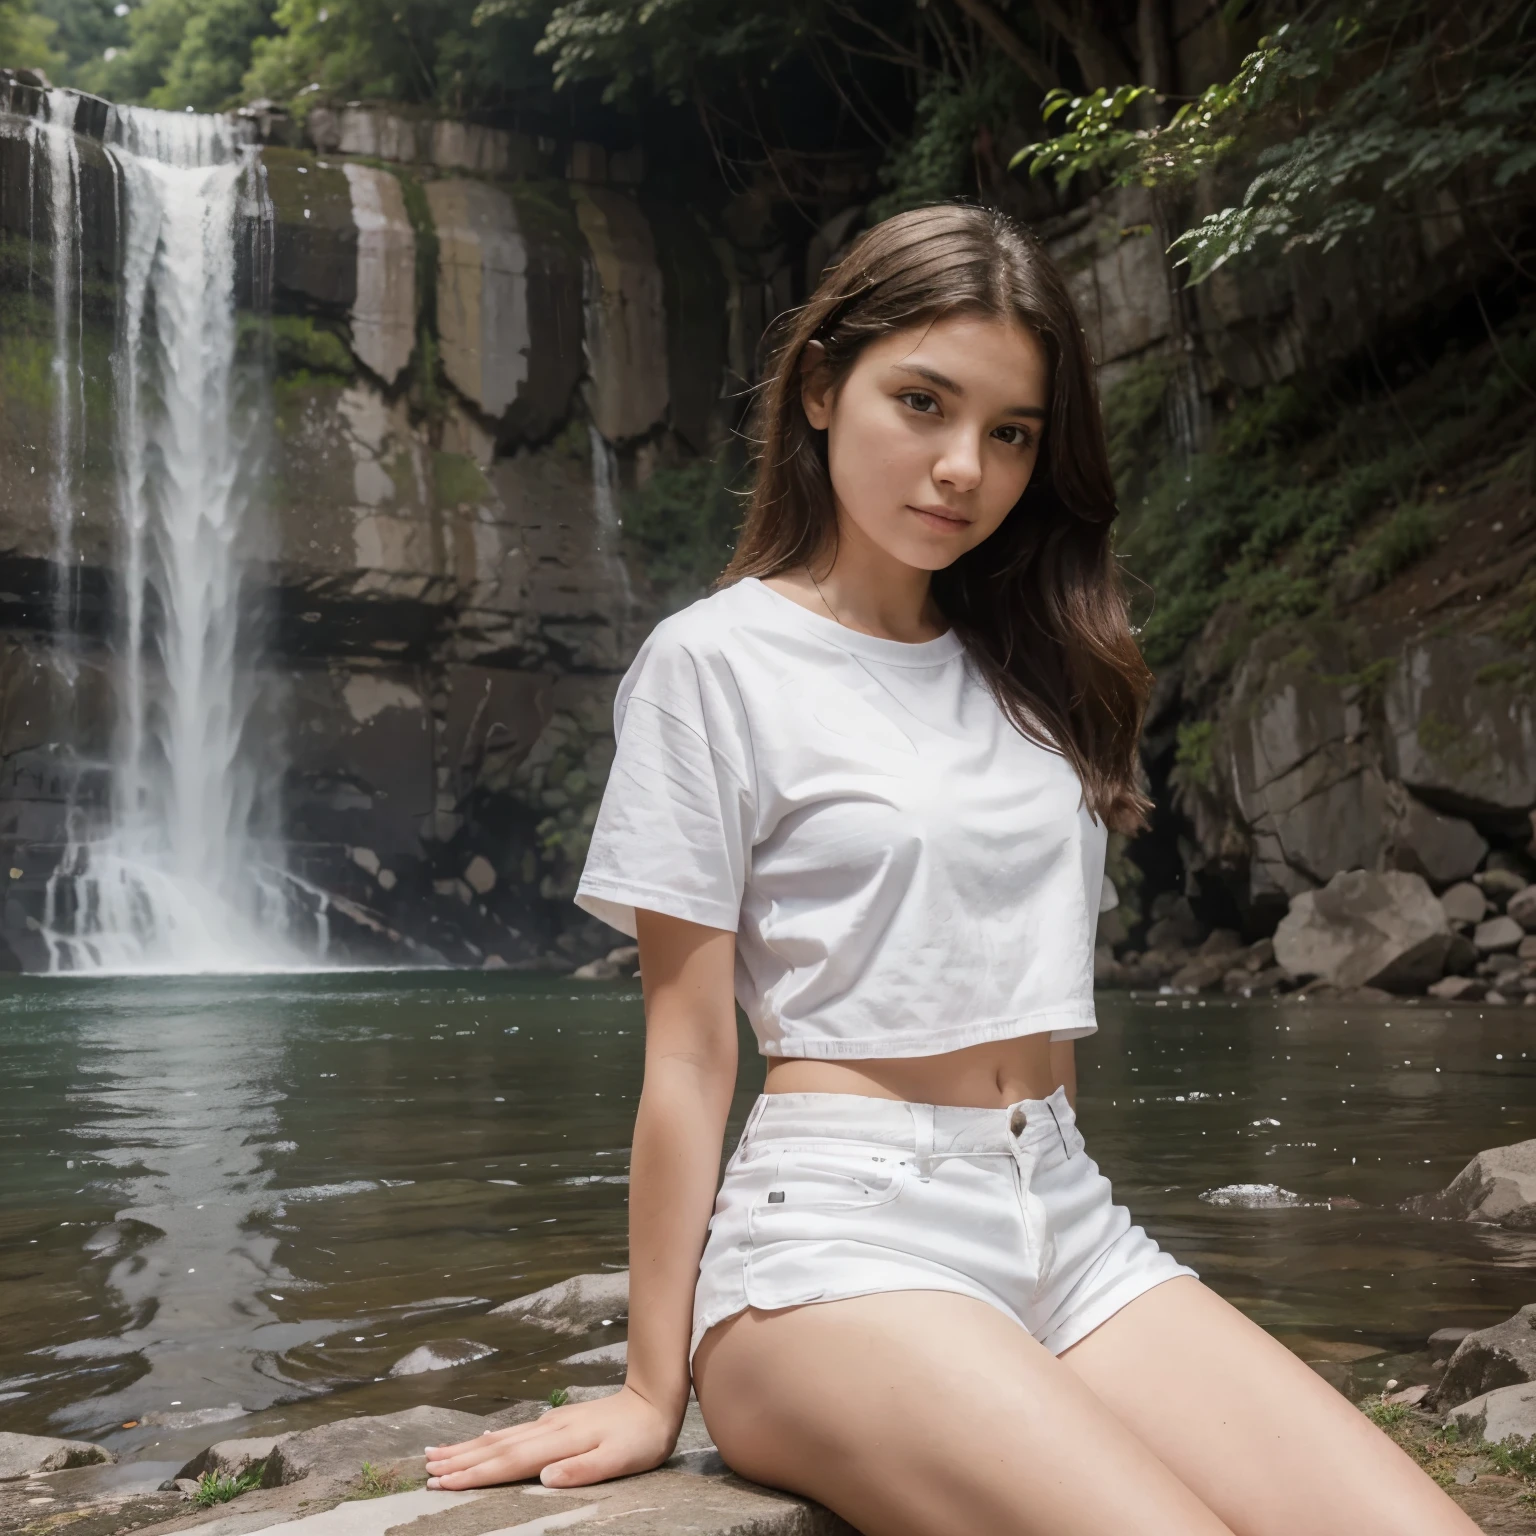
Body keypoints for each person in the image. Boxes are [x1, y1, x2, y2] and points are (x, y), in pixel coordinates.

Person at [422, 204, 1480, 1536]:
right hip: (836, 1249)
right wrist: (649, 1387)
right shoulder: (715, 665)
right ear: (820, 386)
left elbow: (1027, 988)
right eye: (921, 403)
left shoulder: (1037, 673)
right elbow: (690, 1057)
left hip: (1067, 1219)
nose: (961, 467)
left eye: (1010, 433)